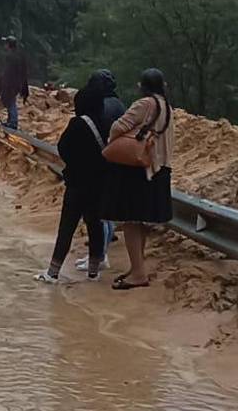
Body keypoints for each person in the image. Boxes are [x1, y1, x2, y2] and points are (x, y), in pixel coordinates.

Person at [102, 69, 174, 290]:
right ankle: (137, 267)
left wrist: (115, 144)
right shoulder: (168, 108)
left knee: (131, 220)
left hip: (139, 169)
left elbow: (118, 126)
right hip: (160, 168)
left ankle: (138, 273)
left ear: (141, 86)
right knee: (142, 220)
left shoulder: (144, 105)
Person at [35, 87, 111, 283]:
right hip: (99, 183)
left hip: (78, 182)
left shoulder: (77, 123)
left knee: (67, 227)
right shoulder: (106, 123)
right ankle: (94, 271)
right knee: (95, 225)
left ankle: (53, 272)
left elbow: (63, 148)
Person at [73, 70, 127, 274]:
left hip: (101, 162)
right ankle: (100, 254)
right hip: (116, 161)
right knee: (106, 213)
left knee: (98, 214)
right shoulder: (119, 104)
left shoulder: (102, 106)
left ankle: (100, 256)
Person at [0, 36, 29, 129]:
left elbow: (8, 72)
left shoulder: (11, 56)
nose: (4, 45)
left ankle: (13, 122)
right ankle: (10, 120)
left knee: (11, 101)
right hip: (16, 84)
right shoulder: (18, 55)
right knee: (10, 101)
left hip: (11, 84)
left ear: (9, 45)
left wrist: (3, 83)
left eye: (6, 43)